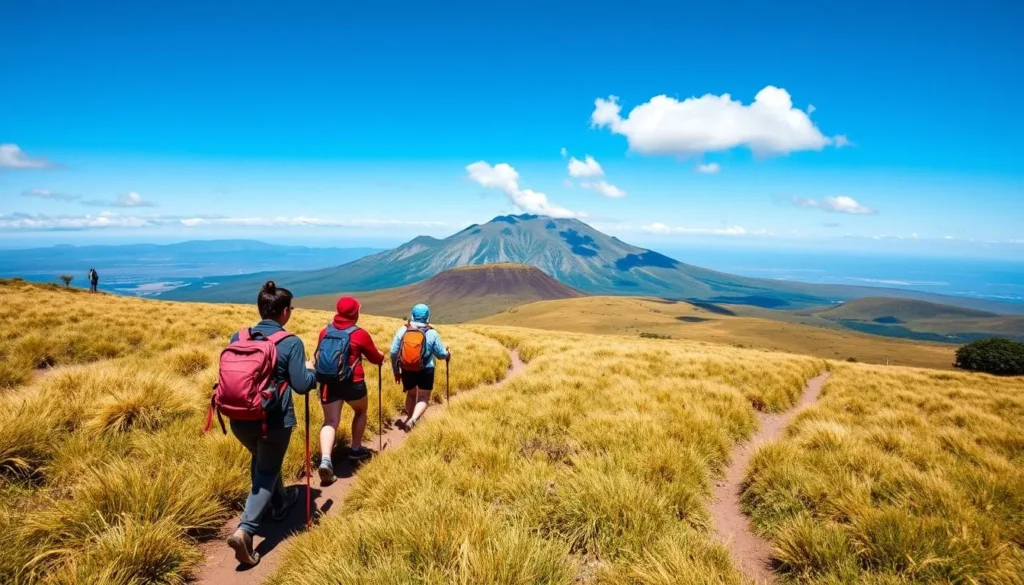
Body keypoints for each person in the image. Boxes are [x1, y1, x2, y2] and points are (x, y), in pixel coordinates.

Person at [225, 281, 316, 567]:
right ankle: (246, 530)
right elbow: (302, 386)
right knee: (266, 469)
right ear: (285, 312)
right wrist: (312, 372)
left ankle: (279, 504)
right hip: (273, 421)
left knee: (264, 461)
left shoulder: (237, 337)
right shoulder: (290, 342)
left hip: (238, 418)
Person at [315, 297, 384, 485]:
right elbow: (376, 359)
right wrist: (382, 356)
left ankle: (326, 460)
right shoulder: (359, 334)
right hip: (353, 383)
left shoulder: (324, 332)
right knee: (360, 411)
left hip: (329, 383)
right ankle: (355, 449)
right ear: (355, 313)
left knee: (330, 421)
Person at [390, 303, 451, 431]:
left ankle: (409, 418)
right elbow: (440, 354)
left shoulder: (403, 330)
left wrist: (396, 371)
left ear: (412, 315)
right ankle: (413, 420)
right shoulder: (432, 333)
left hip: (407, 368)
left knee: (411, 394)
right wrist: (447, 354)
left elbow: (393, 352)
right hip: (426, 369)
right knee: (423, 397)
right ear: (428, 317)